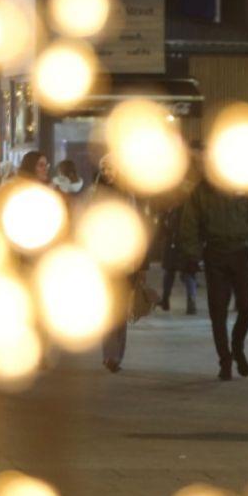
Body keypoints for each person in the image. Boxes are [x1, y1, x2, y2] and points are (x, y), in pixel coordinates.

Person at [177, 150, 248, 381]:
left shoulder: (246, 185)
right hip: (215, 255)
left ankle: (237, 347)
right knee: (217, 312)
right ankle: (225, 359)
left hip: (241, 252)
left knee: (247, 308)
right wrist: (191, 255)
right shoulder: (201, 191)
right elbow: (189, 223)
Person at [90, 156, 152, 373]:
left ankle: (116, 355)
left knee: (120, 309)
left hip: (125, 259)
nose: (107, 172)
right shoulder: (95, 192)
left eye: (111, 168)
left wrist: (141, 263)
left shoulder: (129, 194)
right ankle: (109, 355)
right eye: (103, 168)